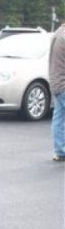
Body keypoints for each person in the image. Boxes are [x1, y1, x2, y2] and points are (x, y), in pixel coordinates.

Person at [51, 21, 65, 161]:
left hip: (56, 82)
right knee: (59, 118)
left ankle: (60, 151)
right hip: (63, 83)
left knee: (59, 118)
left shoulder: (58, 33)